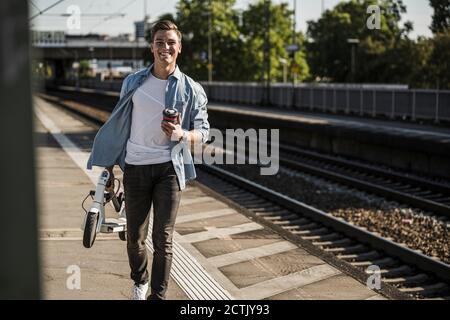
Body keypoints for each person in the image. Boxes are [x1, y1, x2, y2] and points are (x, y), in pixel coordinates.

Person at [87, 20, 210, 300]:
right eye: (159, 42)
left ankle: (158, 295)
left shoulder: (192, 89)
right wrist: (108, 167)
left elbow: (203, 133)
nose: (165, 47)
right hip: (135, 167)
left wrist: (182, 133)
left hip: (170, 169)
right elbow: (119, 126)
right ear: (151, 46)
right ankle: (139, 280)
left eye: (170, 42)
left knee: (163, 238)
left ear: (179, 48)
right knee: (134, 238)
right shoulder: (133, 82)